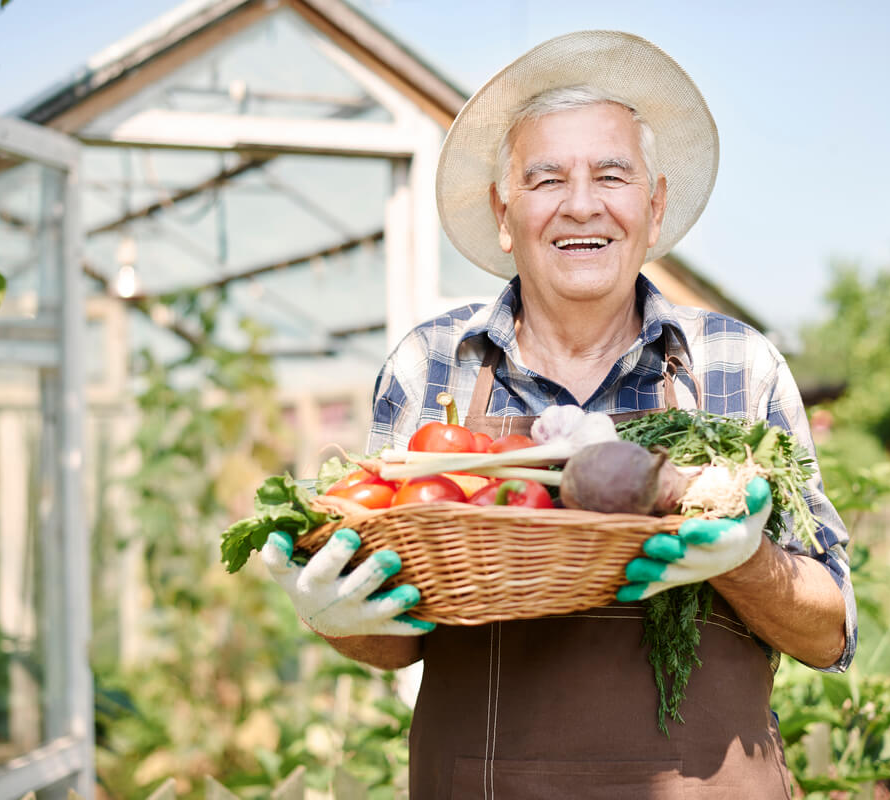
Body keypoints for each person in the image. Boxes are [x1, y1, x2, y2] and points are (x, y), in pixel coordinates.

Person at [261, 30, 856, 798]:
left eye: (611, 174)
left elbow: (830, 630)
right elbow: (398, 640)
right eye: (546, 181)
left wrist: (748, 561)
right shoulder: (432, 366)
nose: (581, 204)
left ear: (654, 203)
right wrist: (337, 617)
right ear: (505, 214)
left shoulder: (736, 366)